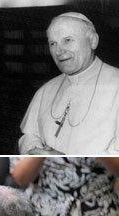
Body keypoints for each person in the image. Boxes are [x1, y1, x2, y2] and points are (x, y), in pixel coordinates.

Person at [19, 12, 119, 154]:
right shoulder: (45, 90)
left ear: (93, 41)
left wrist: (65, 161)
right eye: (53, 43)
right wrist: (34, 152)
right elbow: (29, 135)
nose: (59, 51)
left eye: (67, 40)